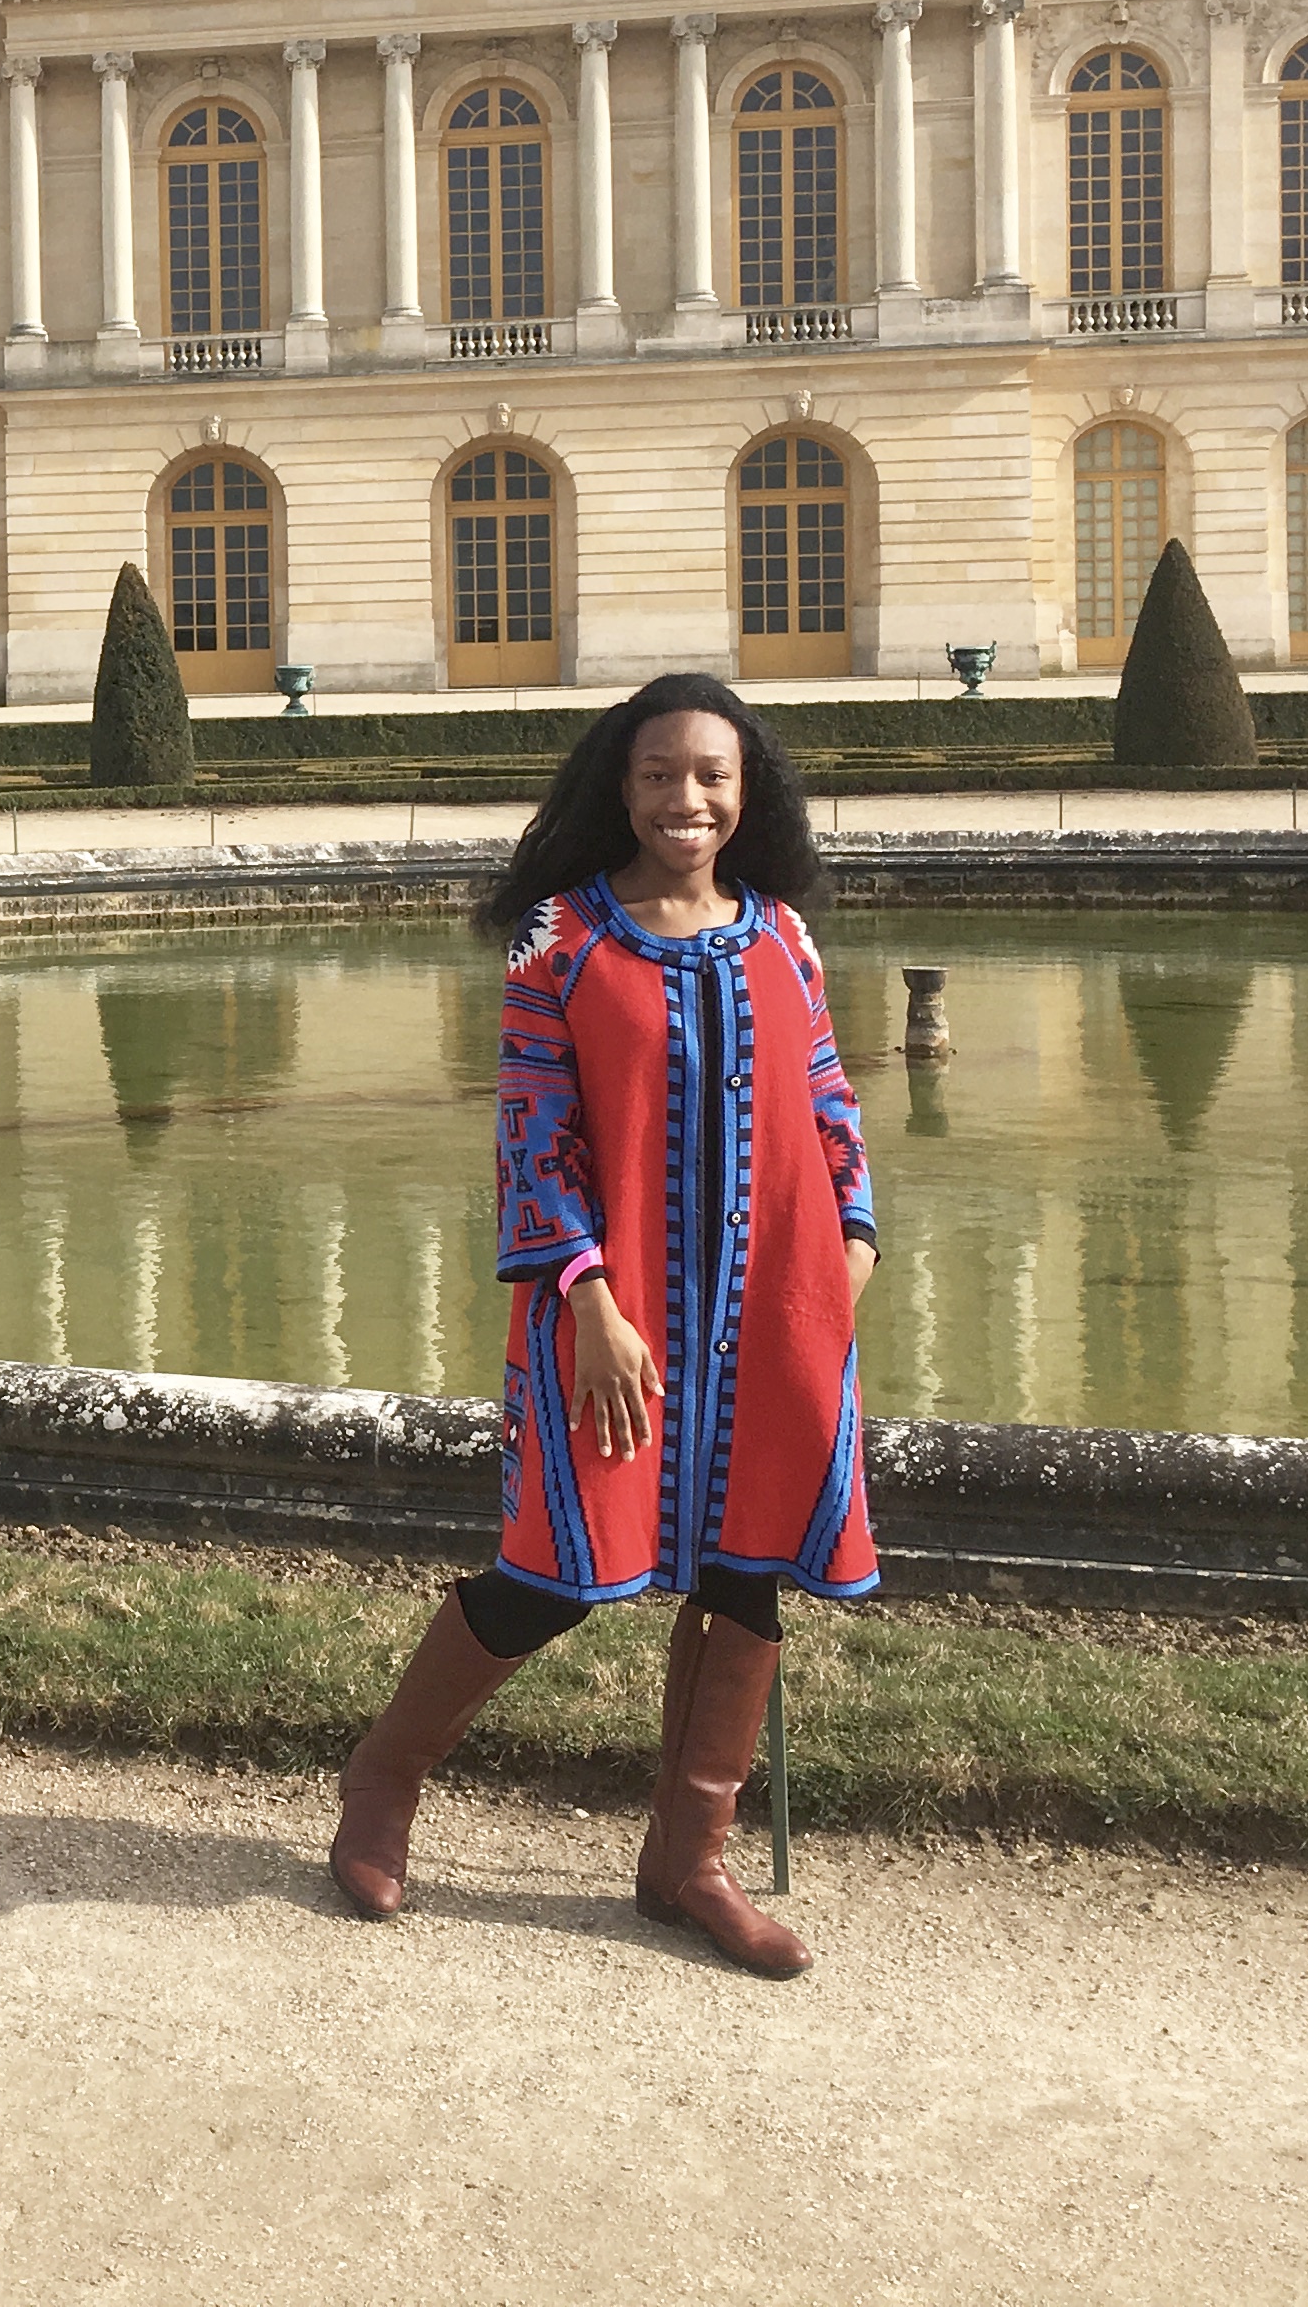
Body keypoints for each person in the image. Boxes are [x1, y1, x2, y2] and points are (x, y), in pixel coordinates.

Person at [325, 673, 876, 1979]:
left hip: (770, 1318)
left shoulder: (782, 937)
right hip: (605, 1324)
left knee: (748, 1581)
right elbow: (532, 1136)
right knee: (550, 1578)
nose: (685, 798)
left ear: (748, 794)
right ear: (618, 790)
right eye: (656, 775)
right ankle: (383, 1779)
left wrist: (852, 1242)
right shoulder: (560, 943)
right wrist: (586, 1300)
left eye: (712, 775)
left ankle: (688, 1865)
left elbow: (829, 1101)